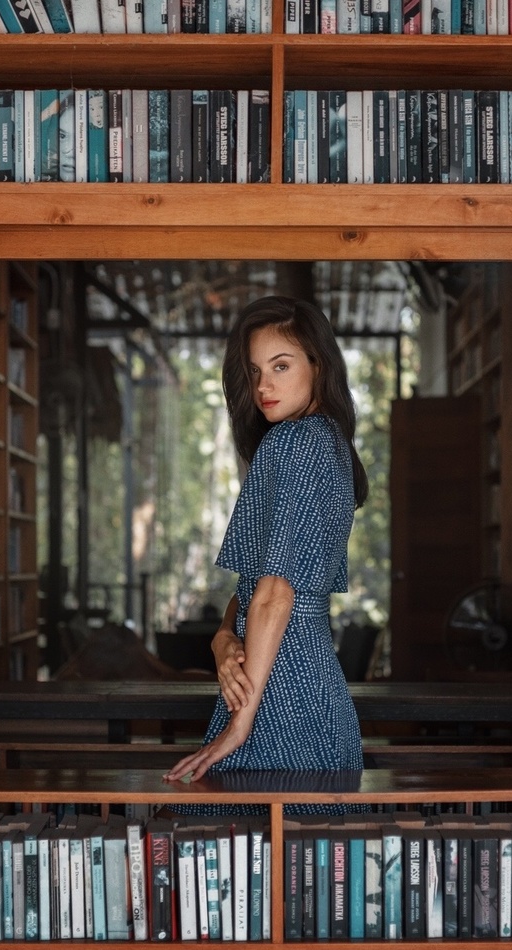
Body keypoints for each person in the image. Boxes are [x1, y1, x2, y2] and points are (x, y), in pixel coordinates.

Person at [163, 295, 369, 786]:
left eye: (281, 365)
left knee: (237, 848)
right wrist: (221, 636)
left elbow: (277, 590)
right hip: (306, 685)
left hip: (281, 689)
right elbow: (255, 581)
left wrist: (239, 726)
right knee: (298, 856)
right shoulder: (328, 443)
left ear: (318, 366)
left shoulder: (297, 441)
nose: (264, 386)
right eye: (255, 372)